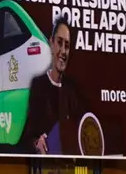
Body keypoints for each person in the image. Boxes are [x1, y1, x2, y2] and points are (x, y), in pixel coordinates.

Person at [18, 13, 87, 155]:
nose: (63, 51)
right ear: (51, 43)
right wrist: (37, 143)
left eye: (67, 46)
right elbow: (27, 137)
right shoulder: (38, 86)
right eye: (59, 43)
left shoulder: (73, 91)